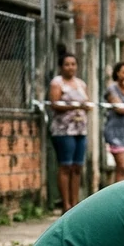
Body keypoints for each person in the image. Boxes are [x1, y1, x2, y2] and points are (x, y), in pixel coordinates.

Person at [48, 53, 88, 212]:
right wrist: (76, 106)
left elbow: (87, 103)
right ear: (61, 66)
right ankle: (66, 205)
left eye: (73, 64)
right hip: (63, 130)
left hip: (80, 129)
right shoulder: (57, 83)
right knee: (66, 165)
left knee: (77, 166)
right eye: (67, 64)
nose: (70, 67)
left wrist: (83, 107)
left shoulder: (81, 83)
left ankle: (75, 203)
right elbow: (55, 104)